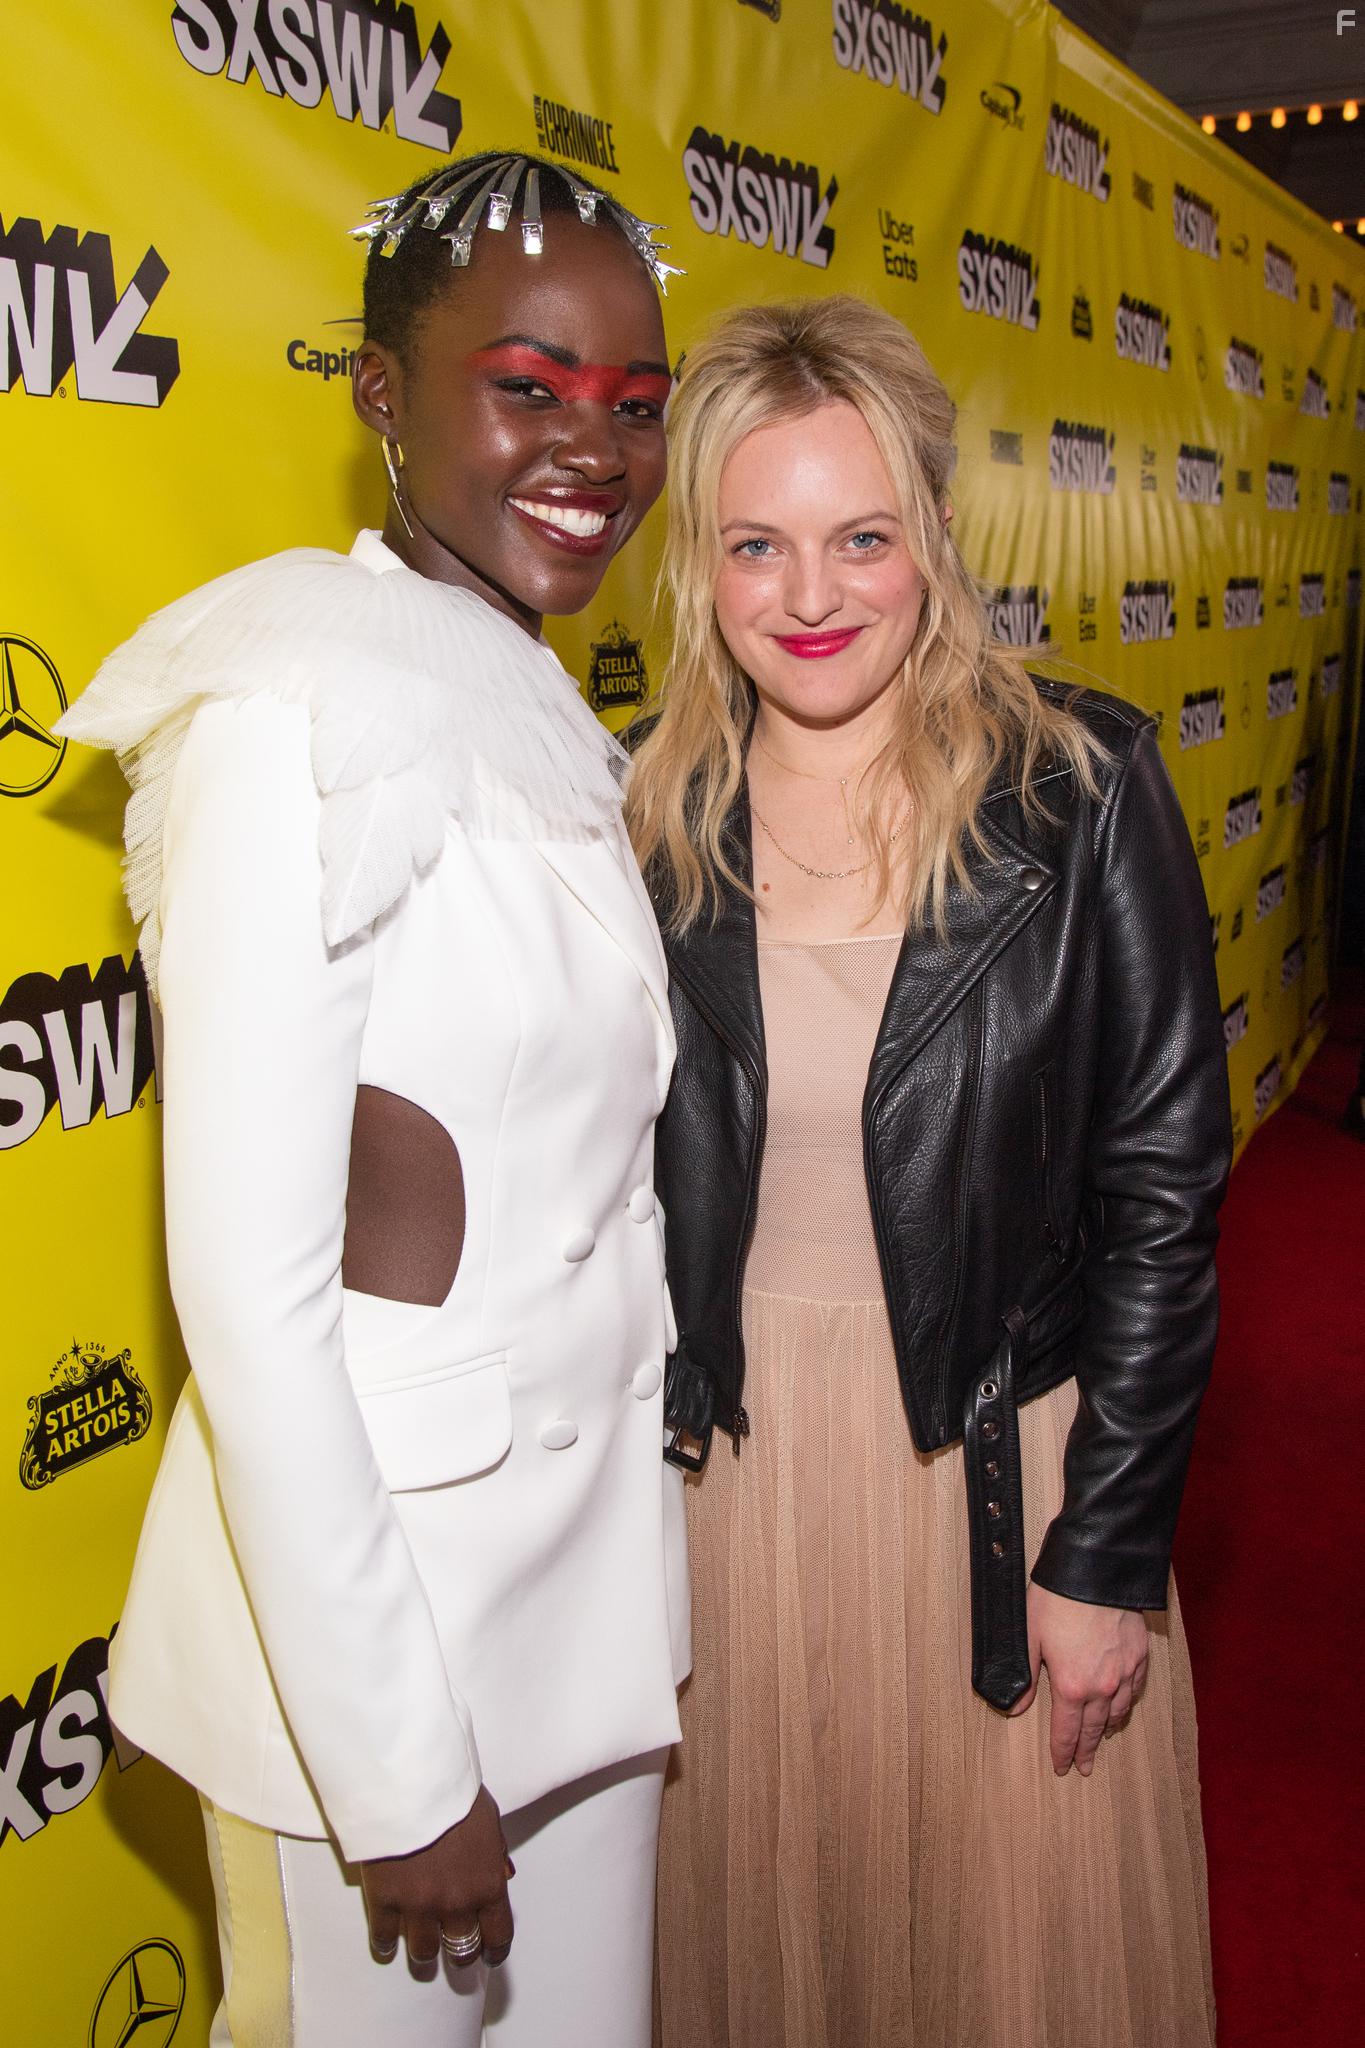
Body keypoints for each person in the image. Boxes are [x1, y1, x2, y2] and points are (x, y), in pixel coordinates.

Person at [57, 152, 689, 2048]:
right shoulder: (291, 713)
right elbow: (252, 1297)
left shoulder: (536, 705)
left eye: (631, 404)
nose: (592, 446)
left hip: (578, 1639)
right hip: (379, 1678)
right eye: (527, 386)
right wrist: (396, 1772)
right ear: (378, 395)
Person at [627, 296, 1232, 2048]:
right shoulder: (649, 820)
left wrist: (1105, 1554)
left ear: (932, 542)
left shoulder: (1078, 786)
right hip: (727, 1497)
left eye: (859, 537)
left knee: (1005, 1976)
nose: (810, 596)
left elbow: (1161, 1201)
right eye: (757, 543)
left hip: (990, 1475)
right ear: (701, 564)